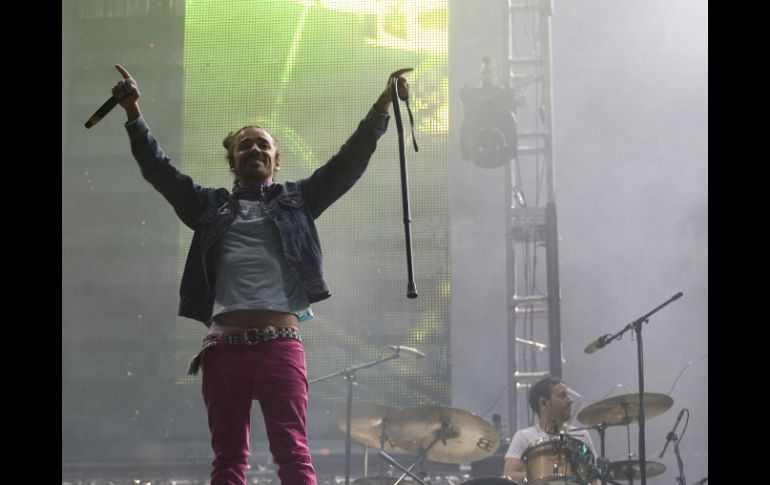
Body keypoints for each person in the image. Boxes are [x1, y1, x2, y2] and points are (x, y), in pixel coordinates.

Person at [111, 63, 413, 485]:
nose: (254, 149)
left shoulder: (300, 199)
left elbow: (348, 162)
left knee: (292, 453)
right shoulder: (207, 206)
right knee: (229, 460)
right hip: (222, 350)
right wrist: (133, 113)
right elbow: (160, 172)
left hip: (280, 348)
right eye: (244, 145)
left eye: (262, 145)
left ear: (275, 158)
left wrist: (383, 104)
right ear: (232, 160)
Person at [502, 377, 600, 485]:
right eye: (563, 396)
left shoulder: (582, 435)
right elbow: (509, 474)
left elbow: (594, 477)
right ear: (543, 402)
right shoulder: (524, 437)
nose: (570, 400)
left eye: (568, 395)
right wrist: (542, 477)